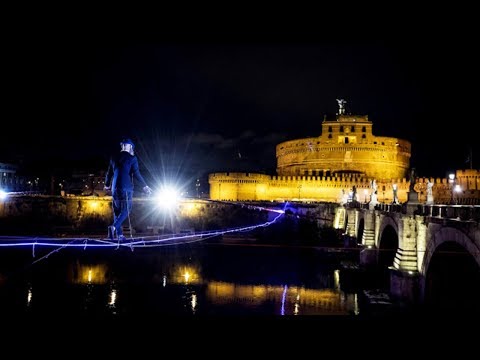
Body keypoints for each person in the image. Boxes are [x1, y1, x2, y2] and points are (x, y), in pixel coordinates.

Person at [104, 138, 152, 240]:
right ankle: (113, 228)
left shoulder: (113, 157)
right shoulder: (132, 158)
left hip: (114, 187)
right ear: (129, 146)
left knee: (117, 211)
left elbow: (109, 173)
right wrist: (145, 186)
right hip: (126, 187)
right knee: (126, 209)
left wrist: (107, 185)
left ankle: (120, 235)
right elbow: (137, 174)